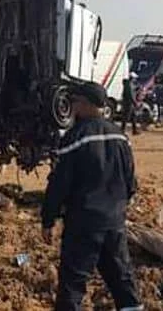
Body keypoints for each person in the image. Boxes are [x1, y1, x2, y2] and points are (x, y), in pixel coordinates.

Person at [41, 81, 143, 311]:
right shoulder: (120, 136)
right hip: (114, 221)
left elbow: (59, 185)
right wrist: (119, 208)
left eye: (76, 102)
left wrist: (48, 219)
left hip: (83, 223)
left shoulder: (75, 139)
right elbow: (130, 180)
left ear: (86, 104)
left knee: (73, 283)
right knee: (121, 278)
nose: (73, 107)